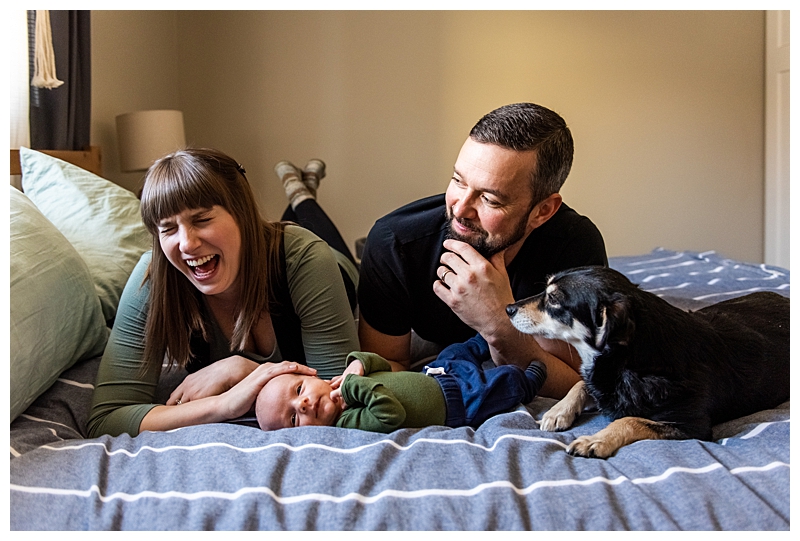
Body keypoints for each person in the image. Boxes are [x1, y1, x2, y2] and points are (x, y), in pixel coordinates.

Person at [88, 148, 360, 438]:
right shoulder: (154, 278)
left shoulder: (305, 257)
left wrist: (242, 369)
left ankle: (302, 194)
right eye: (168, 229)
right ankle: (301, 190)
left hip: (338, 268)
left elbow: (337, 395)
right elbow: (106, 419)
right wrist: (223, 404)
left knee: (314, 231)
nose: (186, 244)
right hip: (262, 246)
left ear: (241, 213)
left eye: (202, 219)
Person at [357, 102, 607, 398]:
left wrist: (499, 325)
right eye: (458, 181)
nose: (460, 209)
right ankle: (303, 196)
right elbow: (387, 369)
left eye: (489, 199)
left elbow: (586, 385)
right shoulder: (394, 244)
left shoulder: (574, 244)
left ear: (543, 211)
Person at [255, 334, 548, 433]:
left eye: (298, 391)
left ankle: (483, 340)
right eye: (293, 418)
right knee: (500, 385)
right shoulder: (347, 422)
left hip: (434, 374)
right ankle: (528, 382)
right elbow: (390, 413)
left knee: (455, 351)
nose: (303, 404)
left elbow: (383, 365)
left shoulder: (341, 381)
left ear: (311, 377)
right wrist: (355, 385)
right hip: (459, 405)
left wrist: (358, 364)